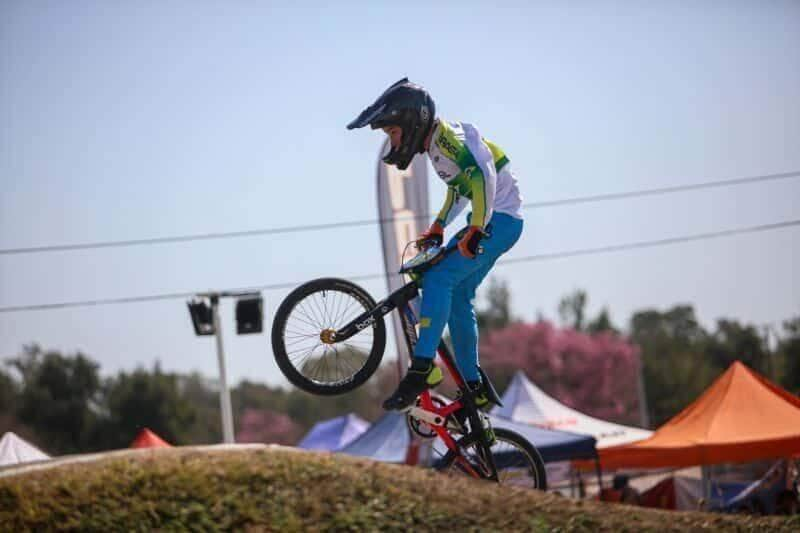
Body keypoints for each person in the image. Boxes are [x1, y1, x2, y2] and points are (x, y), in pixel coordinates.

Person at [348, 78, 524, 410]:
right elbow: (460, 188)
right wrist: (440, 225)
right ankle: (474, 385)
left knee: (439, 278)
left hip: (500, 221)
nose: (392, 141)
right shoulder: (436, 146)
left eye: (392, 132)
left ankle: (421, 368)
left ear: (411, 122)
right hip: (497, 219)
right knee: (457, 295)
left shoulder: (445, 139)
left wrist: (475, 228)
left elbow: (481, 176)